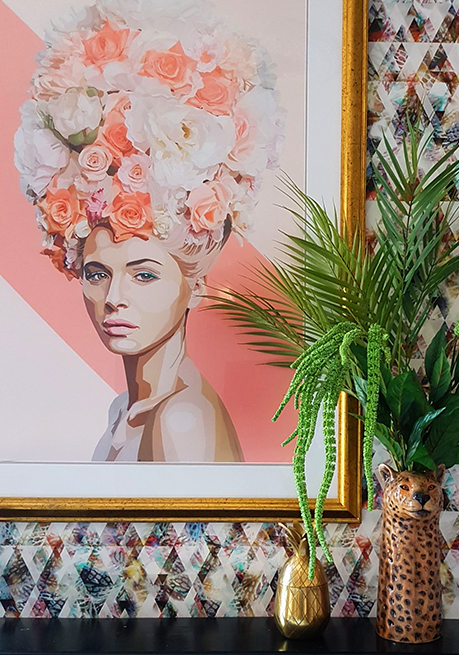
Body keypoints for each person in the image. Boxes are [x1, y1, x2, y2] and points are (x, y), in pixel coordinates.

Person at [14, 0, 284, 462]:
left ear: (194, 286)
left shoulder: (182, 419)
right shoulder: (127, 409)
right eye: (97, 273)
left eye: (143, 275)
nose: (114, 297)